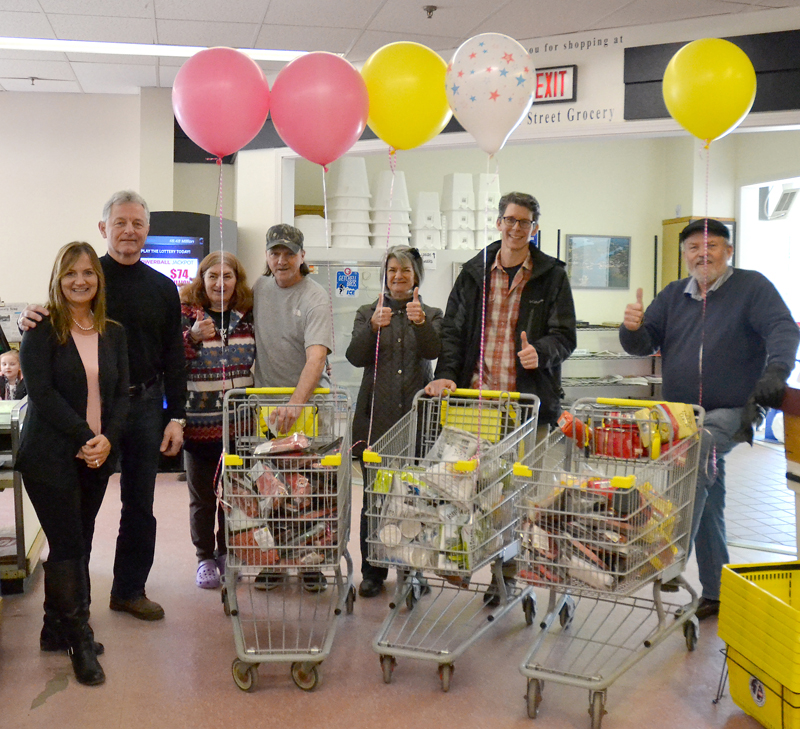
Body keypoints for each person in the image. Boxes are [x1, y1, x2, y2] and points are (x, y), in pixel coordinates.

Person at [620, 218, 799, 620]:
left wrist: (777, 372)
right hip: (681, 414)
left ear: (728, 251)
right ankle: (717, 592)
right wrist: (630, 329)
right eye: (694, 249)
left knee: (696, 453)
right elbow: (642, 343)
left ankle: (670, 554)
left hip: (733, 408)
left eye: (713, 245)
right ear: (684, 257)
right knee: (708, 490)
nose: (703, 254)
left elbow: (783, 329)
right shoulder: (672, 295)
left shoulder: (752, 287)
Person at [19, 190, 186, 621]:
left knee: (139, 504)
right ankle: (77, 603)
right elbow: (56, 314)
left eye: (138, 224)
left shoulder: (164, 288)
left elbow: (174, 355)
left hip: (145, 405)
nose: (129, 231)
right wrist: (29, 317)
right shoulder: (89, 274)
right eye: (120, 223)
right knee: (79, 512)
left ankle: (129, 589)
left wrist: (176, 417)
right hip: (89, 410)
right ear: (103, 229)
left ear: (148, 231)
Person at [425, 191, 577, 605]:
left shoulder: (551, 276)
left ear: (535, 229)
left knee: (515, 498)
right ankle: (470, 559)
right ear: (498, 223)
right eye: (509, 220)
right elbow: (453, 333)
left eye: (524, 223)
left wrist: (540, 352)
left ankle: (505, 573)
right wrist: (444, 376)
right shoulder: (475, 273)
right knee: (471, 488)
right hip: (477, 406)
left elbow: (566, 336)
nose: (515, 229)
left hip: (526, 407)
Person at [17, 241, 129, 685]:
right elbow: (42, 396)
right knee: (67, 545)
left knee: (79, 539)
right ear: (57, 279)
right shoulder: (40, 331)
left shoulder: (112, 331)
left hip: (97, 456)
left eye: (88, 273)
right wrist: (86, 437)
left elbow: (122, 394)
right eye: (70, 274)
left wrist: (106, 440)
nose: (80, 280)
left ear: (98, 281)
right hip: (49, 456)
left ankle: (52, 627)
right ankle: (79, 637)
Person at [346, 245, 443, 598]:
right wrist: (372, 327)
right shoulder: (368, 312)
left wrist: (419, 323)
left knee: (415, 498)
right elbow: (355, 357)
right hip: (377, 422)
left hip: (418, 422)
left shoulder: (431, 314)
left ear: (416, 275)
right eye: (392, 270)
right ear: (384, 276)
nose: (398, 276)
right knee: (376, 497)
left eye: (405, 270)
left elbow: (435, 352)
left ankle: (413, 568)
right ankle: (373, 570)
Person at [251, 223, 334, 593]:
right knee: (270, 492)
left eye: (289, 253)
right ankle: (274, 562)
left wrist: (294, 406)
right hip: (266, 411)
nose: (281, 260)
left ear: (303, 256)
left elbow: (316, 360)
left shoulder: (315, 297)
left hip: (308, 408)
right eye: (275, 253)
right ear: (267, 257)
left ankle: (311, 563)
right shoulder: (259, 289)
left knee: (311, 490)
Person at [180, 251, 255, 589]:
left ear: (236, 281)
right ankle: (204, 558)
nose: (219, 283)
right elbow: (169, 361)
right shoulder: (186, 316)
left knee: (233, 497)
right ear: (202, 280)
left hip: (241, 428)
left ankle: (227, 553)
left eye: (227, 276)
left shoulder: (249, 316)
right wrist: (192, 337)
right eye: (212, 276)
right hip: (199, 425)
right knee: (203, 499)